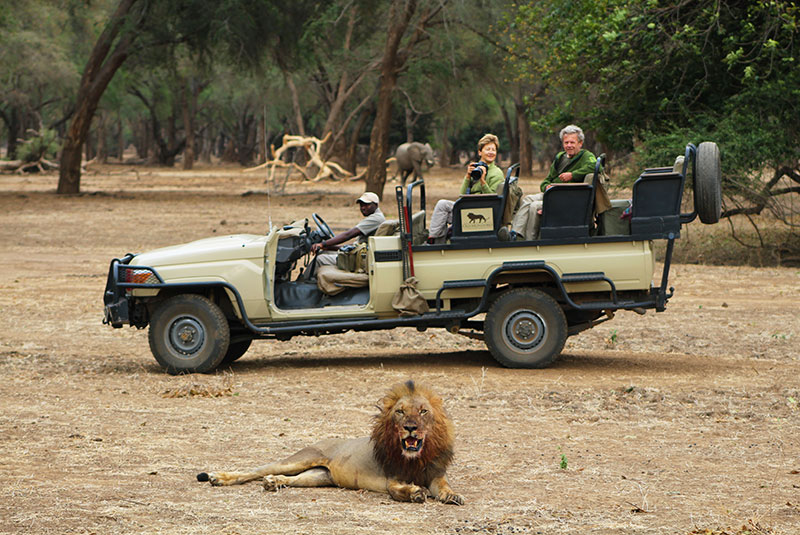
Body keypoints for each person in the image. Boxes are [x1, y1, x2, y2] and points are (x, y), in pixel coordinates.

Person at [508, 124, 608, 240]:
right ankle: (516, 233)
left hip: (567, 198)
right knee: (527, 199)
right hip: (552, 194)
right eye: (566, 143)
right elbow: (546, 180)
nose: (569, 145)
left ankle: (530, 240)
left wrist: (572, 175)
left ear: (580, 143)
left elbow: (597, 167)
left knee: (535, 206)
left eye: (572, 142)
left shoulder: (586, 156)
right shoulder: (560, 157)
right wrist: (546, 187)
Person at [427, 133, 504, 242]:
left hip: (484, 210)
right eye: (488, 149)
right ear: (480, 152)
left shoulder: (496, 173)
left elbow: (492, 198)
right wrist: (468, 176)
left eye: (493, 150)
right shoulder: (476, 169)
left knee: (442, 206)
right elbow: (462, 194)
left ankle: (435, 241)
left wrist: (482, 181)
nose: (491, 152)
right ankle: (436, 238)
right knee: (442, 206)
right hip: (469, 207)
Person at [310, 191, 385, 269]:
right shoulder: (375, 217)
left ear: (376, 205)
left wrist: (323, 244)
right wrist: (329, 247)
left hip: (360, 259)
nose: (363, 208)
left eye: (367, 205)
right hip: (359, 254)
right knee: (323, 252)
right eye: (361, 205)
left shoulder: (376, 218)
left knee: (319, 259)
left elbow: (349, 234)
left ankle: (303, 280)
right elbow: (354, 247)